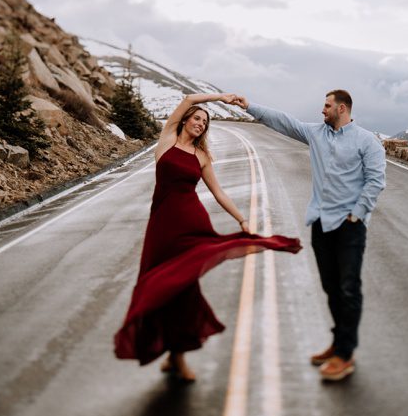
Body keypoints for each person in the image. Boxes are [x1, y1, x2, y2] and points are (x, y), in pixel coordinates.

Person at [114, 92, 301, 382]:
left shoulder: (202, 156)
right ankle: (166, 347)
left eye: (205, 122)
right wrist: (221, 98)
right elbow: (189, 98)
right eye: (197, 118)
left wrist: (241, 218)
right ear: (185, 120)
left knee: (184, 288)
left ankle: (177, 355)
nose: (201, 124)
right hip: (162, 226)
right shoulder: (167, 141)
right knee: (155, 285)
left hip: (191, 224)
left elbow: (218, 192)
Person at [230, 89, 385, 382]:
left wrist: (357, 213)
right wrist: (250, 106)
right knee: (331, 287)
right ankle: (338, 343)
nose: (322, 110)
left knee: (349, 288)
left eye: (326, 106)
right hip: (321, 224)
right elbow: (284, 122)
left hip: (350, 226)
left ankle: (345, 354)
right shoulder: (317, 134)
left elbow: (376, 181)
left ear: (342, 108)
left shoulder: (367, 141)